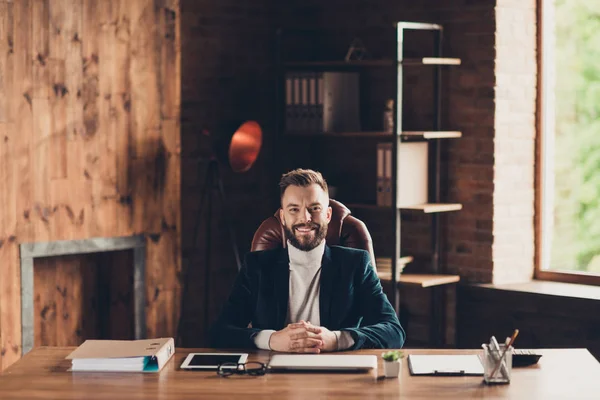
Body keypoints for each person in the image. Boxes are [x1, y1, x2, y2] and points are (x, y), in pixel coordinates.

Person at [210, 169, 405, 352]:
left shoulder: (355, 264)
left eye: (314, 208)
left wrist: (336, 339)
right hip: (271, 377)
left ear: (328, 215)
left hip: (337, 375)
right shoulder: (257, 266)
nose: (305, 218)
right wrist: (271, 339)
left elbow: (393, 332)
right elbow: (220, 332)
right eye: (294, 209)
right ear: (283, 217)